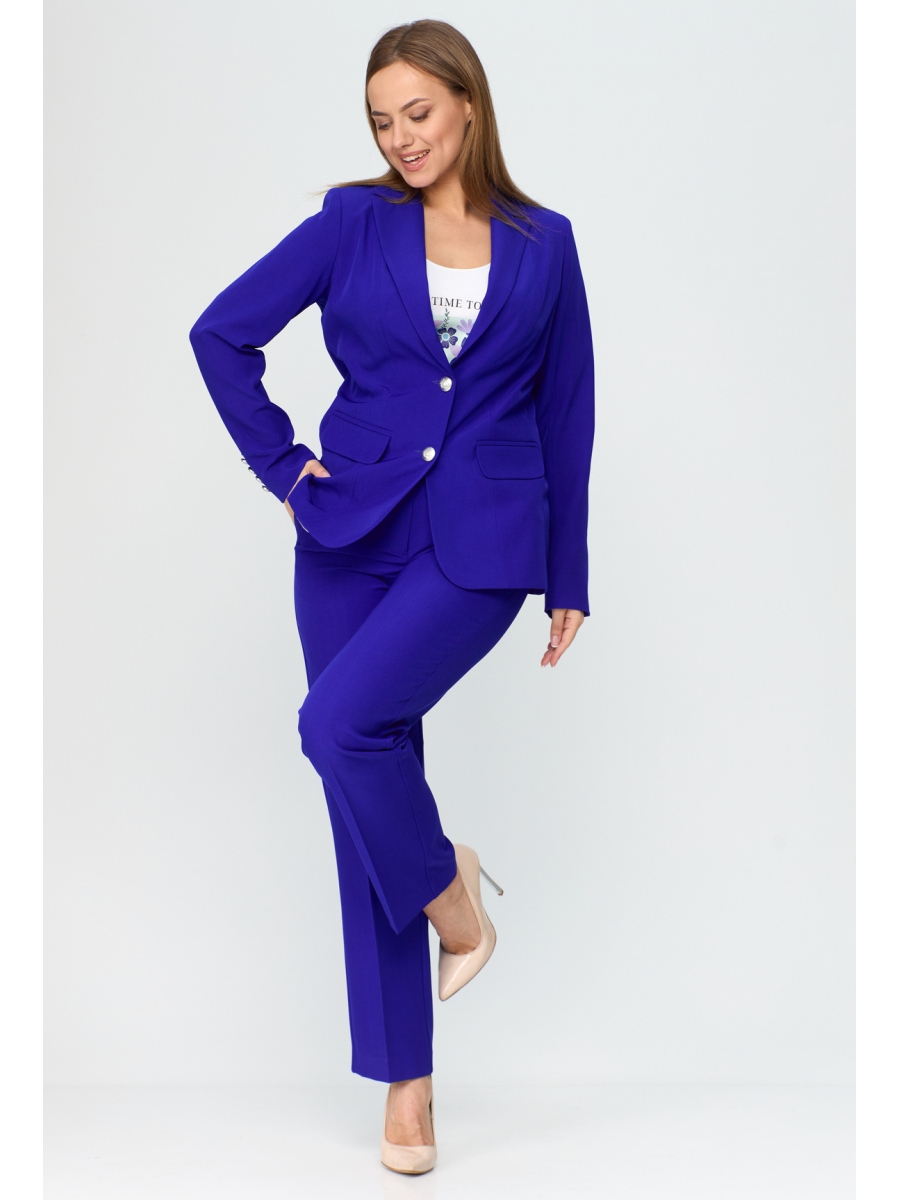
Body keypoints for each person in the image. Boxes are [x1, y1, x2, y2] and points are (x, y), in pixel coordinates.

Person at [189, 18, 594, 1175]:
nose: (401, 138)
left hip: (481, 543)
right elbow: (221, 334)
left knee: (338, 728)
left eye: (418, 112)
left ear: (468, 103)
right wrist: (284, 468)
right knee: (365, 782)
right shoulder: (350, 223)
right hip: (348, 534)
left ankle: (449, 889)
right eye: (381, 121)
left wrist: (568, 571)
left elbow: (568, 407)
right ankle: (406, 1088)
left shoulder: (546, 243)